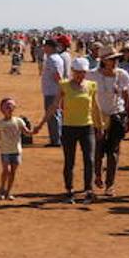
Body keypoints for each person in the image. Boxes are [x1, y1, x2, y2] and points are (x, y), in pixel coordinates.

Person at [41, 57, 103, 203]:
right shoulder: (64, 85)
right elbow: (54, 106)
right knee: (69, 161)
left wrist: (99, 126)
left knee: (90, 160)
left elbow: (95, 107)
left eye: (83, 72)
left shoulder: (92, 86)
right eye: (77, 72)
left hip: (87, 127)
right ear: (72, 71)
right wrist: (41, 123)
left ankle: (88, 190)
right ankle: (69, 190)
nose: (80, 75)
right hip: (69, 128)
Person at [93, 46, 129, 196]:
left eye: (117, 58)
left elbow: (126, 95)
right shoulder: (92, 76)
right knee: (98, 150)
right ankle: (97, 176)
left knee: (114, 151)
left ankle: (110, 184)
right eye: (112, 59)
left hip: (117, 114)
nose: (116, 61)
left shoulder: (122, 74)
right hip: (97, 117)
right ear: (103, 61)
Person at [0, 98, 31, 200]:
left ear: (14, 108)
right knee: (6, 171)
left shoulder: (19, 121)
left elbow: (26, 132)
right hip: (5, 151)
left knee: (13, 172)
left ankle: (8, 192)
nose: (9, 108)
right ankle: (2, 188)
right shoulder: (0, 123)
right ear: (1, 109)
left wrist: (34, 131)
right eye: (6, 106)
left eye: (11, 106)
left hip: (16, 151)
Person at [39, 38, 66, 147]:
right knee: (56, 114)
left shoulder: (52, 59)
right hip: (53, 90)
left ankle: (55, 139)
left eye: (45, 46)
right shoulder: (56, 58)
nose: (44, 48)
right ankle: (57, 137)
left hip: (52, 91)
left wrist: (60, 88)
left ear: (50, 47)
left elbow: (57, 76)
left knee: (52, 115)